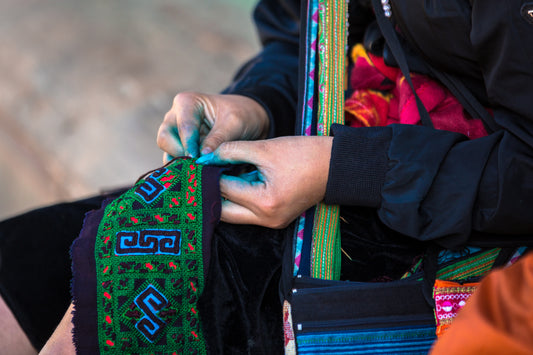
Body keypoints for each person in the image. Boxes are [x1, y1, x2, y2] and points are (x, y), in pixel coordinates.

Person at [1, 0, 533, 353]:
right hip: (341, 136)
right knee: (24, 266)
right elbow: (297, 32)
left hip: (459, 199)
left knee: (138, 273)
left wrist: (342, 168)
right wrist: (255, 101)